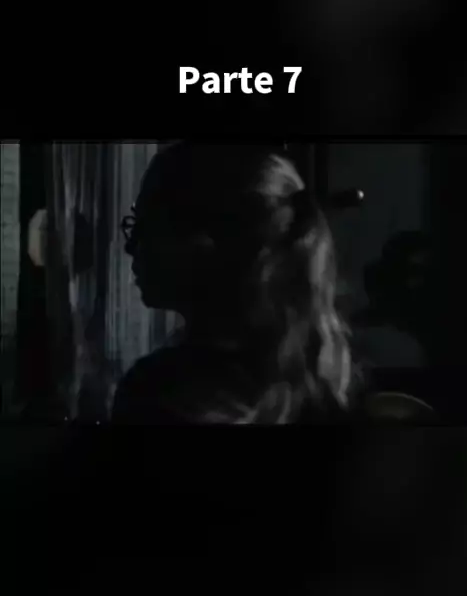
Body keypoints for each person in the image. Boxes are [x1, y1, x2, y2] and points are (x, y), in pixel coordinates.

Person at [111, 143, 352, 424]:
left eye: (146, 226)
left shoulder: (158, 392)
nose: (131, 246)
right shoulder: (322, 382)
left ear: (209, 241)